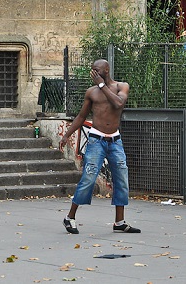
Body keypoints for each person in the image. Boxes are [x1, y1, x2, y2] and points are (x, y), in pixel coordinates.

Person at [59, 59, 140, 234]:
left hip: (115, 141)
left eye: (97, 70)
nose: (93, 73)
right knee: (88, 178)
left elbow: (118, 103)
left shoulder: (121, 86)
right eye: (92, 70)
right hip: (96, 140)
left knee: (121, 179)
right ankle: (70, 217)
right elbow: (81, 116)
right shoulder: (92, 92)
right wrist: (67, 134)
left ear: (106, 70)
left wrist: (102, 85)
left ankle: (119, 221)